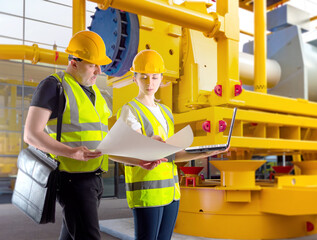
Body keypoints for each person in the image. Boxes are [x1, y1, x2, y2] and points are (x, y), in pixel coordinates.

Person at [110, 49, 229, 240]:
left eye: (155, 77)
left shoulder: (166, 112)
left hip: (172, 192)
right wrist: (151, 145)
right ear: (135, 79)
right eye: (144, 77)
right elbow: (135, 151)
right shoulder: (129, 110)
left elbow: (173, 155)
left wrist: (206, 152)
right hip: (147, 193)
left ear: (161, 78)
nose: (150, 83)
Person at [23, 30, 112, 240]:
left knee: (72, 235)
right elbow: (31, 134)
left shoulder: (95, 92)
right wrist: (70, 152)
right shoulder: (53, 86)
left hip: (95, 177)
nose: (98, 70)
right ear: (74, 62)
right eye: (92, 65)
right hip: (73, 180)